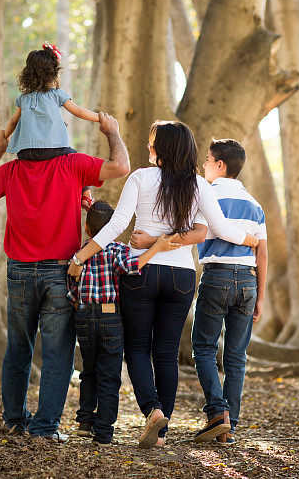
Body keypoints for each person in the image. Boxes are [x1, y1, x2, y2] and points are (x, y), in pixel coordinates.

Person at [67, 121, 258, 448]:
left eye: (152, 141)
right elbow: (221, 229)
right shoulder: (198, 183)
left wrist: (81, 256)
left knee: (138, 348)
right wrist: (251, 240)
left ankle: (153, 411)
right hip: (181, 276)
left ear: (163, 148)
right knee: (166, 353)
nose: (147, 146)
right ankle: (162, 433)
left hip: (141, 271)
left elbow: (116, 226)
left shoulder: (140, 177)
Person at [0, 112, 130, 443]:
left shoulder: (11, 169)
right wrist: (111, 131)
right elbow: (121, 165)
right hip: (61, 271)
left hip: (20, 271)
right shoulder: (73, 165)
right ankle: (44, 428)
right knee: (57, 352)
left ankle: (13, 421)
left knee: (18, 348)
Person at [68, 200, 180, 446]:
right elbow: (134, 266)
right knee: (109, 375)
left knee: (89, 370)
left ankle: (85, 422)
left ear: (87, 229)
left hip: (85, 316)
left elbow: (72, 290)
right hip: (110, 318)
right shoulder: (117, 250)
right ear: (116, 229)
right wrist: (158, 247)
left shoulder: (81, 253)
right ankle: (104, 431)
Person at [190, 139, 267, 447]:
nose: (204, 165)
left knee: (204, 348)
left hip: (216, 277)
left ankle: (218, 411)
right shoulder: (255, 203)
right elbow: (263, 253)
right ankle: (229, 427)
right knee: (237, 356)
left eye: (207, 160)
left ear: (220, 165)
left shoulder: (206, 196)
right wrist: (260, 297)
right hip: (248, 282)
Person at [5, 43, 100, 162]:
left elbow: (13, 121)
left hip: (25, 153)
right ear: (54, 74)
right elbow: (78, 111)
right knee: (73, 156)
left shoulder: (23, 98)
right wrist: (100, 118)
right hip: (50, 150)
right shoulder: (56, 94)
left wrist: (5, 137)